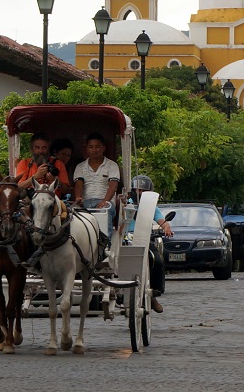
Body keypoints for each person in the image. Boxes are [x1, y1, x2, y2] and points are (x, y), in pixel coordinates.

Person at [126, 175, 172, 313]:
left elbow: (161, 220)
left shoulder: (151, 206)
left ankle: (153, 294)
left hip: (143, 238)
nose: (139, 193)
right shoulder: (124, 202)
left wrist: (166, 228)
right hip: (123, 239)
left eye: (142, 190)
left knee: (157, 261)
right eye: (137, 189)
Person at [73, 132, 120, 226]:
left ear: (103, 148)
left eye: (97, 147)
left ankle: (105, 240)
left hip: (106, 203)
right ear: (86, 149)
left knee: (104, 216)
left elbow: (113, 186)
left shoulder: (112, 165)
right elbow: (79, 184)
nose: (94, 150)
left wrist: (105, 201)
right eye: (91, 147)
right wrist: (78, 198)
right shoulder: (80, 167)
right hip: (86, 203)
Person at [15, 133, 70, 198]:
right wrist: (36, 176)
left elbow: (66, 190)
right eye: (37, 147)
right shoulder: (24, 163)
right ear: (32, 149)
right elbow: (18, 187)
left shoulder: (58, 163)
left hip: (53, 201)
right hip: (30, 201)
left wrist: (56, 181)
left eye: (44, 148)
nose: (41, 151)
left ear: (48, 149)